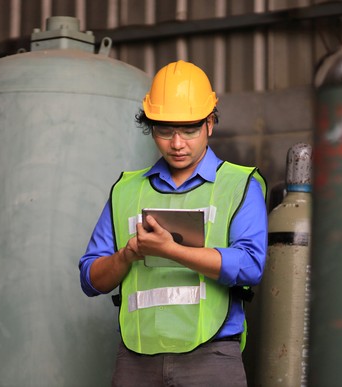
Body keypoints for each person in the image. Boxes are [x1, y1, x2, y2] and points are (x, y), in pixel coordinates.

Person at [78, 60, 267, 387]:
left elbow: (251, 265)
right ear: (151, 127)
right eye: (165, 131)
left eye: (189, 130)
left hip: (212, 357)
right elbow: (90, 279)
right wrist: (127, 255)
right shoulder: (126, 190)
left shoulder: (239, 185)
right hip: (135, 358)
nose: (177, 143)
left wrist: (172, 250)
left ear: (210, 123)